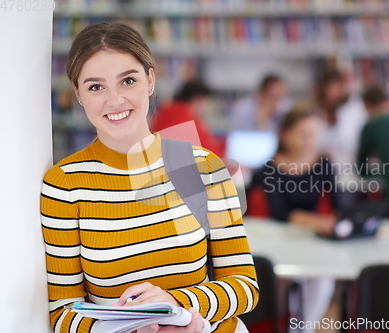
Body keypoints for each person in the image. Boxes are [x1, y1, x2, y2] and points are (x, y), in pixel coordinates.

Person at [40, 22, 258, 333]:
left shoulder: (203, 167)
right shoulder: (65, 185)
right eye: (96, 86)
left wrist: (178, 305)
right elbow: (63, 310)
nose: (115, 100)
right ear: (78, 93)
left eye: (127, 80)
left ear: (150, 79)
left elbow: (244, 286)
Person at [246, 106, 336, 333]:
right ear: (285, 135)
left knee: (324, 279)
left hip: (312, 241)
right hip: (278, 241)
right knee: (293, 281)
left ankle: (302, 329)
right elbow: (281, 213)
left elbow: (339, 206)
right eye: (303, 133)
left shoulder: (324, 165)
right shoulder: (269, 169)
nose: (310, 141)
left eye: (314, 134)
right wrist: (319, 222)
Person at [150, 79, 225, 157]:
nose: (207, 109)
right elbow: (214, 155)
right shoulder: (188, 121)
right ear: (198, 100)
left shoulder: (162, 114)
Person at [316, 69, 368, 180]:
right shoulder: (315, 112)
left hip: (351, 168)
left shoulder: (353, 110)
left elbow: (359, 140)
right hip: (321, 169)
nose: (334, 93)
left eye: (338, 88)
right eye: (330, 88)